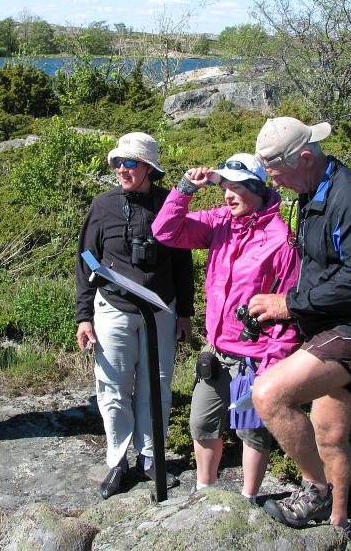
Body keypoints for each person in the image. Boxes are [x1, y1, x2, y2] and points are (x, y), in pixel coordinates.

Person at [247, 117, 351, 532]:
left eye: (276, 173)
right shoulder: (314, 190)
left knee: (270, 395)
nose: (273, 184)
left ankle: (315, 490)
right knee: (329, 434)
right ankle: (338, 524)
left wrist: (290, 305)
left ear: (306, 157)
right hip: (330, 324)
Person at [151, 153, 301, 502]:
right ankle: (205, 494)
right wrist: (185, 188)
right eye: (224, 188)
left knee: (252, 434)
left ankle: (247, 501)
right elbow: (165, 231)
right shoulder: (220, 223)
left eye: (236, 188)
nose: (227, 195)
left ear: (257, 189)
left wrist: (272, 367)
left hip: (256, 359)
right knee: (202, 425)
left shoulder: (280, 240)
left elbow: (289, 312)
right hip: (216, 353)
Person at [75, 132, 194, 499]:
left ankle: (150, 457)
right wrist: (84, 316)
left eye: (130, 163)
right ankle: (118, 461)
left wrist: (185, 312)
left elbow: (182, 262)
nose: (121, 170)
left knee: (155, 384)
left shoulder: (167, 205)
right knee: (112, 386)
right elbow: (85, 261)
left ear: (148, 168)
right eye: (118, 163)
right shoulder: (103, 205)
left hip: (160, 309)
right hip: (113, 307)